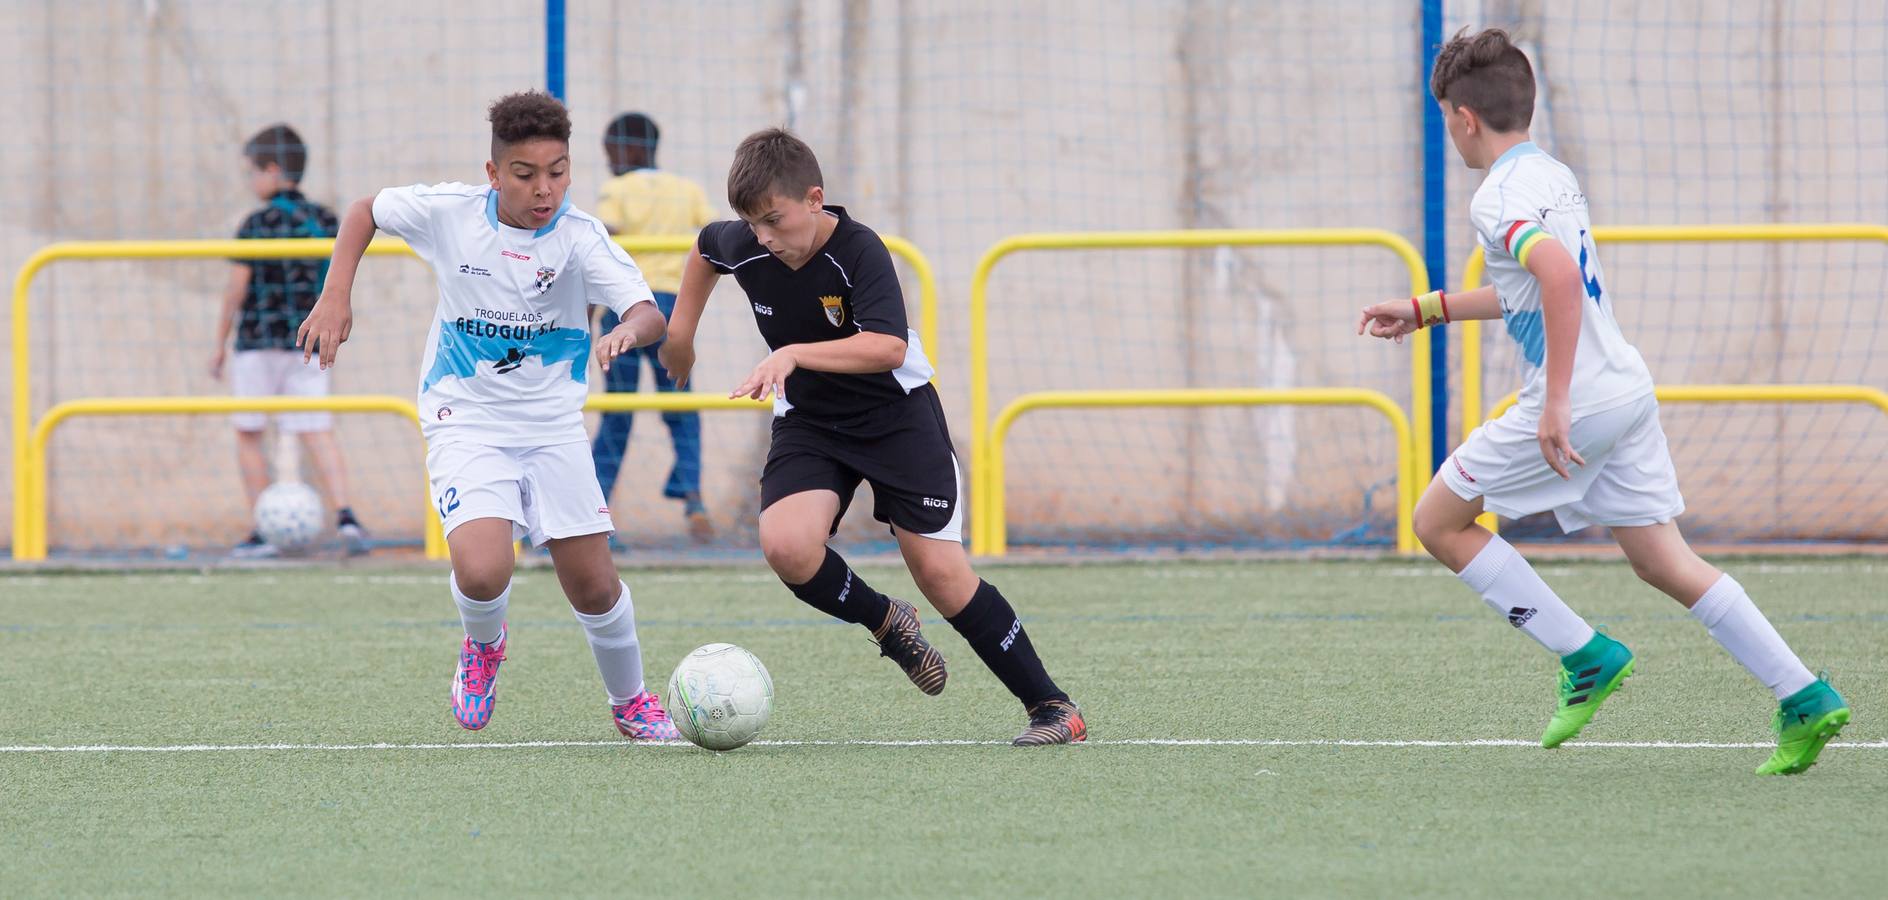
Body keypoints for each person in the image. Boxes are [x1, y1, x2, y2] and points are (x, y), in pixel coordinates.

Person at [1358, 28, 1848, 774]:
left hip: (1581, 400)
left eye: (1446, 119)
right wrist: (1430, 309)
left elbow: (1556, 279)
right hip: (1623, 387)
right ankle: (1805, 696)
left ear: (1462, 118)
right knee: (1663, 561)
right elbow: (1535, 284)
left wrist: (1553, 404)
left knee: (1437, 521)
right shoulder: (1552, 174)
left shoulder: (1495, 197)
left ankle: (1584, 655)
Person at [660, 128, 1086, 745]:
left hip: (897, 419)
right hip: (811, 422)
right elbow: (705, 251)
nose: (763, 238)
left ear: (815, 198)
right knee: (786, 545)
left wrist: (795, 354)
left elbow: (887, 346)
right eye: (752, 224)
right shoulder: (748, 243)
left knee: (940, 574)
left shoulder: (859, 251)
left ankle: (1052, 707)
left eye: (775, 220)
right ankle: (887, 621)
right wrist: (681, 335)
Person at [296, 91, 679, 740]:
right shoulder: (451, 214)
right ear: (494, 172)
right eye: (526, 175)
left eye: (558, 171)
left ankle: (632, 701)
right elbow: (365, 211)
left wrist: (627, 332)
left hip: (552, 428)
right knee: (482, 568)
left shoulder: (583, 238)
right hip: (465, 417)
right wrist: (337, 296)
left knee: (592, 586)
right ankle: (484, 645)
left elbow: (647, 310)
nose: (545, 189)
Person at [210, 123, 369, 557]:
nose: (250, 182)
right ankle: (346, 516)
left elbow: (236, 289)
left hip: (258, 342)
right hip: (309, 342)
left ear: (273, 170)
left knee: (248, 431)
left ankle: (262, 531)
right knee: (316, 427)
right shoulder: (325, 220)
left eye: (252, 172)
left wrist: (219, 343)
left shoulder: (256, 223)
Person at [590, 112, 719, 543]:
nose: (609, 162)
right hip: (673, 308)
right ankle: (693, 495)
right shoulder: (686, 189)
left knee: (617, 414)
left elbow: (602, 239)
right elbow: (712, 228)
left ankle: (596, 505)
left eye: (611, 153)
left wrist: (589, 310)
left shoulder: (618, 190)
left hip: (628, 309)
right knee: (682, 406)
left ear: (628, 149)